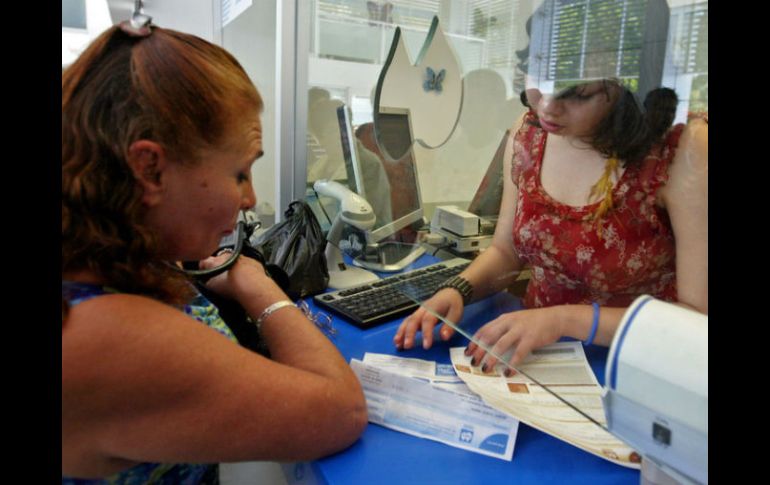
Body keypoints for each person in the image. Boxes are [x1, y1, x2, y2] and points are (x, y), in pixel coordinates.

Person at [62, 23, 367, 483]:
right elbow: (340, 411)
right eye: (240, 173)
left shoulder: (114, 263)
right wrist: (259, 287)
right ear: (150, 169)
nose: (249, 198)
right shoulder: (108, 336)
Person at [394, 78, 707, 372]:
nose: (547, 107)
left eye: (579, 94)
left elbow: (695, 318)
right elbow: (506, 251)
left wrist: (562, 320)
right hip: (537, 353)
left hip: (638, 364)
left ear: (625, 87)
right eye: (539, 85)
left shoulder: (683, 150)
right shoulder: (530, 131)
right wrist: (458, 289)